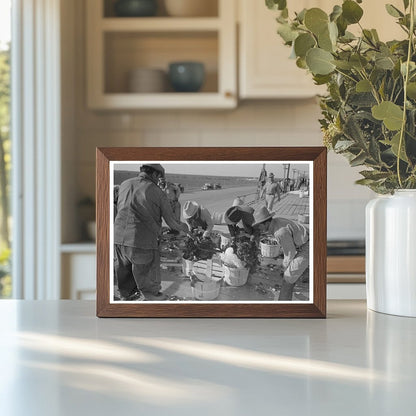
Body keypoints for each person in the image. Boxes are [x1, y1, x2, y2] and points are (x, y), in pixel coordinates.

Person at [114, 163, 189, 301]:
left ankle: (125, 303)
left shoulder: (124, 184)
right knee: (149, 286)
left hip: (118, 240)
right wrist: (185, 228)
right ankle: (151, 310)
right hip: (141, 243)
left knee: (125, 281)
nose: (159, 181)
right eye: (158, 177)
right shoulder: (157, 191)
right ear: (155, 174)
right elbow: (172, 222)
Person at [252, 206, 309, 301]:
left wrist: (284, 267)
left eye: (258, 226)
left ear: (266, 223)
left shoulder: (279, 232)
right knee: (292, 273)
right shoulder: (276, 221)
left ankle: (283, 306)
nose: (258, 229)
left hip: (307, 245)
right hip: (304, 239)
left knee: (287, 279)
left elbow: (290, 253)